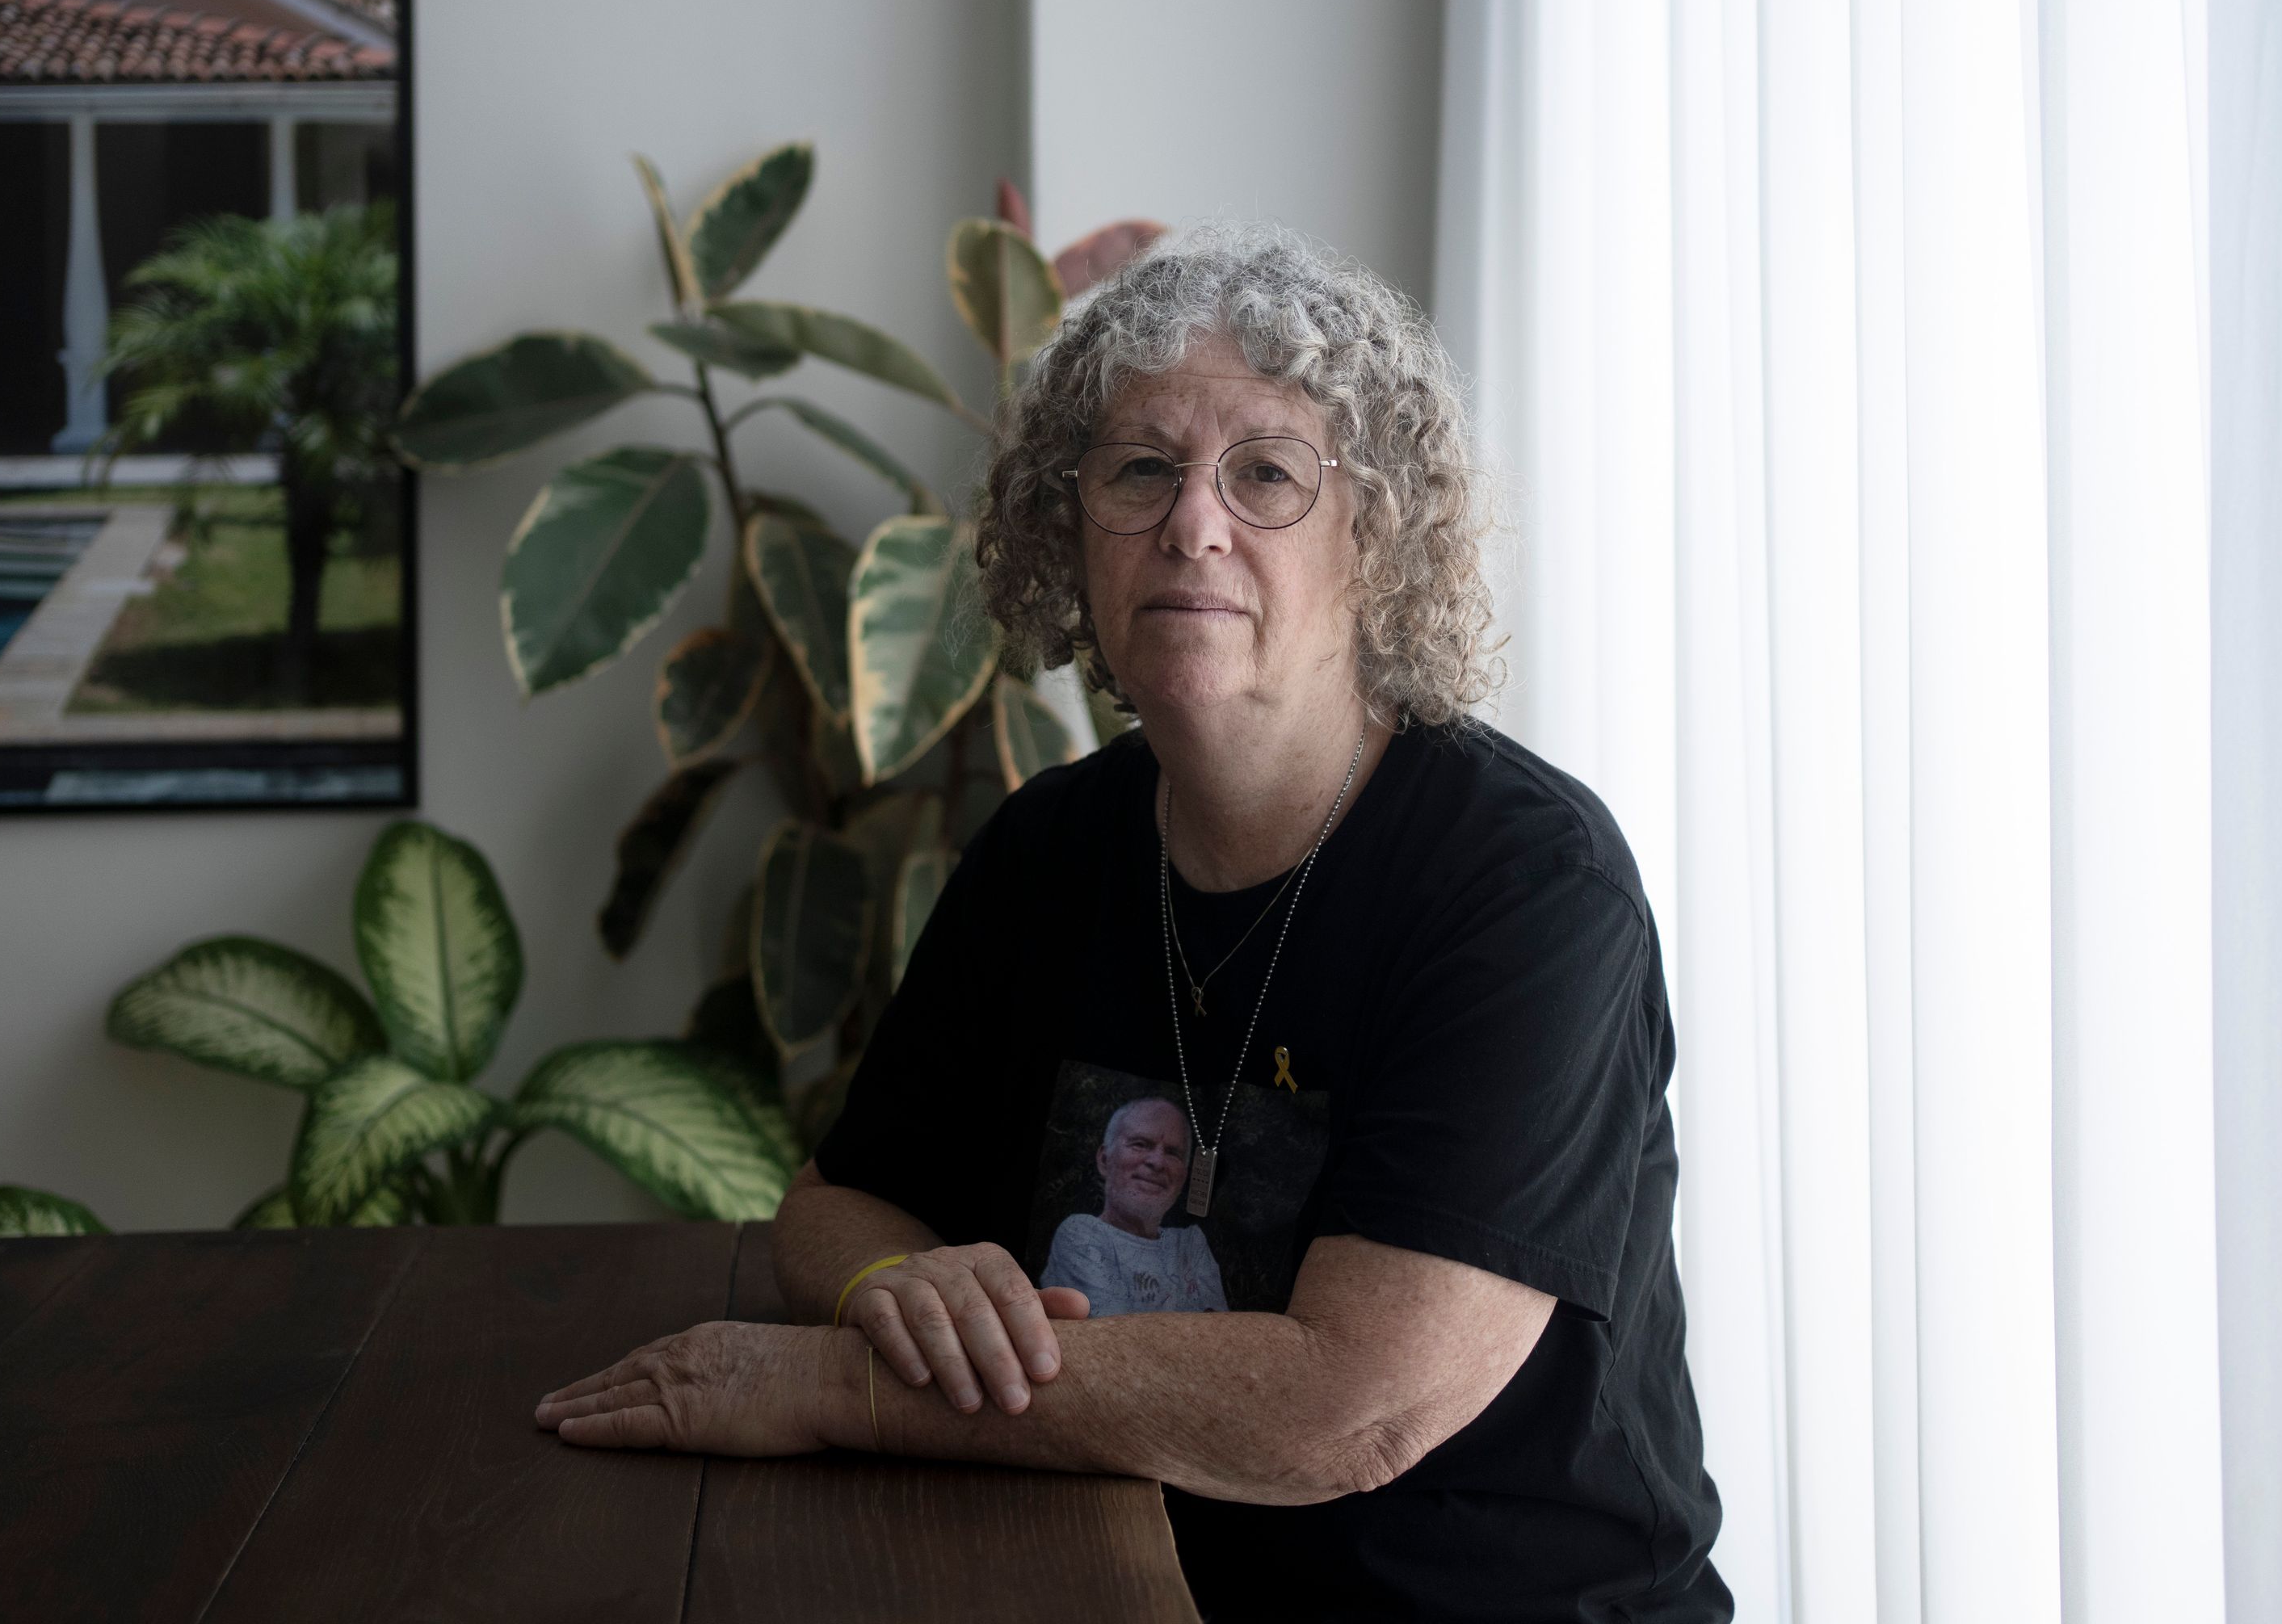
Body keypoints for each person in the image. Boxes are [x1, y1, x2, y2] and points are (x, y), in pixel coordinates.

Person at [536, 223, 1729, 1622]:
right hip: (1109, 1580)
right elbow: (835, 1205)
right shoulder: (1050, 845)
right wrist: (897, 1287)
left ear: (1377, 540)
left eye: (1267, 473)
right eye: (1140, 470)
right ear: (1070, 525)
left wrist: (832, 1380)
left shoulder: (1527, 884)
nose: (1192, 523)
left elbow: (1350, 1408)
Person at [1040, 1093, 1229, 1316]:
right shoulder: (1081, 1234)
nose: (1157, 1162)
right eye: (1140, 1145)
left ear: (1183, 1177)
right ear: (1104, 1160)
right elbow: (1114, 1337)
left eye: (1172, 1153)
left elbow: (1222, 1340)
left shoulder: (1190, 1245)